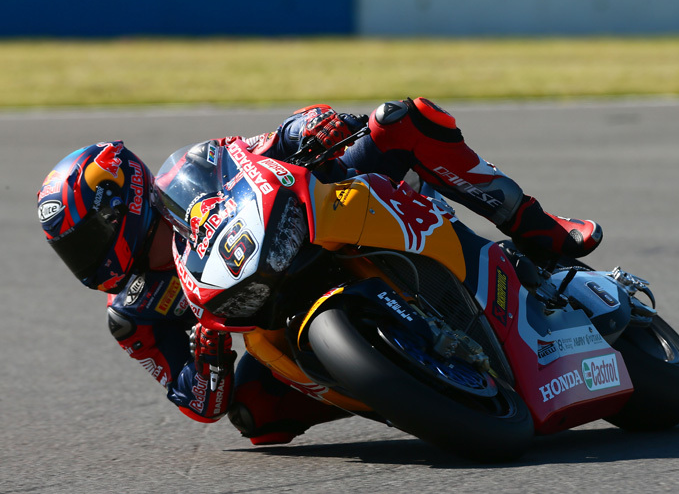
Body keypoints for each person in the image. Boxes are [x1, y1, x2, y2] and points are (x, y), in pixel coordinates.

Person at [37, 97, 602, 445]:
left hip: (309, 223)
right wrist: (207, 355)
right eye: (72, 253)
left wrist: (312, 127)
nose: (87, 262)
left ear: (124, 199)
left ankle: (537, 227)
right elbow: (198, 403)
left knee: (402, 122)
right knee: (254, 418)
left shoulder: (194, 167)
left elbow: (263, 147)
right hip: (272, 332)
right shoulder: (134, 316)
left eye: (86, 241)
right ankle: (403, 389)